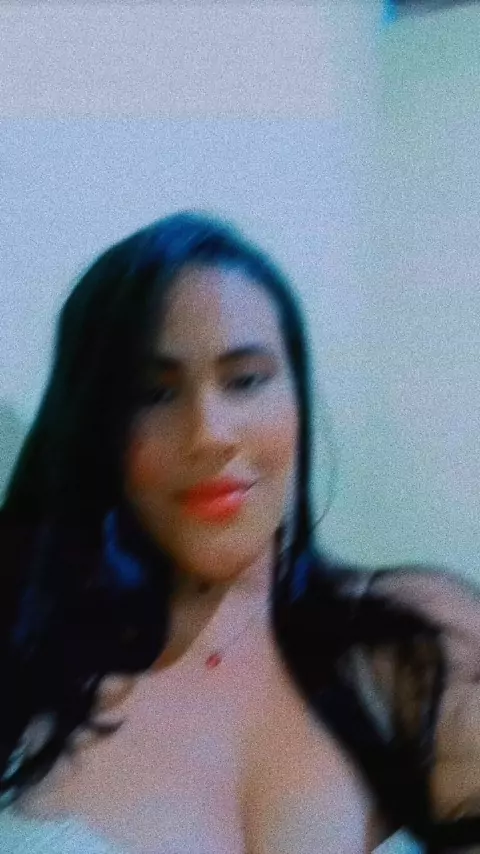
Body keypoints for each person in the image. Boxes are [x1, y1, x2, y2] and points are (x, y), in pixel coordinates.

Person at [0, 211, 479, 854]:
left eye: (246, 379)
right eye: (153, 393)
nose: (210, 433)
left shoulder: (419, 639)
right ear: (95, 429)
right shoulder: (21, 666)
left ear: (297, 398)